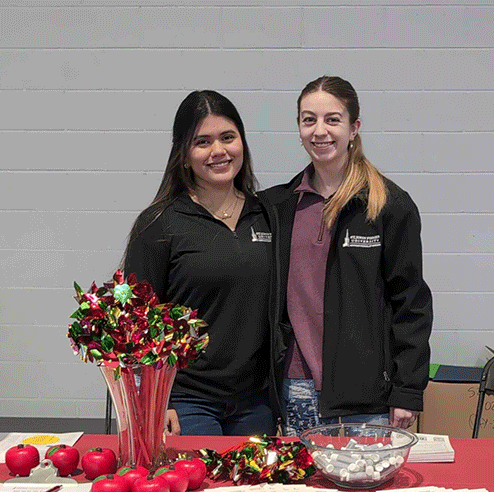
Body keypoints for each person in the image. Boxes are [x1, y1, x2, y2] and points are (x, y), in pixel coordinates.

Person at [261, 76, 433, 436]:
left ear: (354, 128)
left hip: (367, 399)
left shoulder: (388, 205)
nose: (319, 131)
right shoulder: (278, 207)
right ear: (298, 127)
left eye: (332, 119)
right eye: (309, 120)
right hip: (297, 390)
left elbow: (411, 304)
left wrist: (407, 390)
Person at [123, 90, 276, 436]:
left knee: (255, 491)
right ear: (184, 152)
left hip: (256, 402)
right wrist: (155, 400)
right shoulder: (159, 224)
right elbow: (136, 321)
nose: (218, 151)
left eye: (227, 137)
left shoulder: (268, 216)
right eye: (202, 142)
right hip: (187, 401)